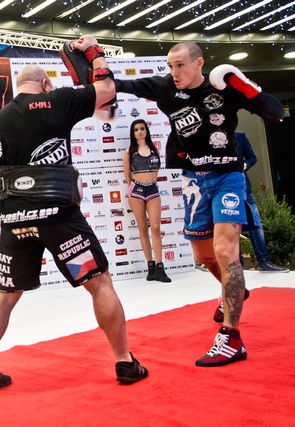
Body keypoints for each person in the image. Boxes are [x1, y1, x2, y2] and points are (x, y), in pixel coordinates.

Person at [0, 35, 148, 388]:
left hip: (15, 222)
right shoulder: (57, 100)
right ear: (45, 84)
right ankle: (124, 362)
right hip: (58, 217)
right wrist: (94, 53)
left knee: (5, 296)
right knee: (99, 283)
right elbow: (107, 91)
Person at [115, 42, 284, 367]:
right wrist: (94, 68)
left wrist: (243, 84)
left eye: (180, 65)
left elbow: (275, 112)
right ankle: (232, 291)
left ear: (199, 63)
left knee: (224, 250)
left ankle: (232, 338)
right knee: (204, 255)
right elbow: (123, 84)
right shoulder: (166, 88)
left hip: (228, 177)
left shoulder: (223, 87)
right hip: (194, 181)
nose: (174, 72)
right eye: (170, 66)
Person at [123, 119, 171, 282]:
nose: (139, 132)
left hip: (152, 190)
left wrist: (151, 182)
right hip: (136, 191)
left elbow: (156, 170)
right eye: (136, 129)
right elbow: (127, 175)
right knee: (143, 229)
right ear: (133, 133)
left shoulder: (154, 149)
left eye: (142, 128)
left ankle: (160, 267)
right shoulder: (130, 152)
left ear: (146, 131)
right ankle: (150, 268)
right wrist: (133, 187)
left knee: (156, 228)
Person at [235, 131, 289, 273]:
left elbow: (252, 158)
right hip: (224, 190)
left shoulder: (239, 136)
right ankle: (236, 265)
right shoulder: (211, 139)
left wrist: (244, 165)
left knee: (256, 224)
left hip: (244, 187)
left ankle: (264, 262)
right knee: (231, 227)